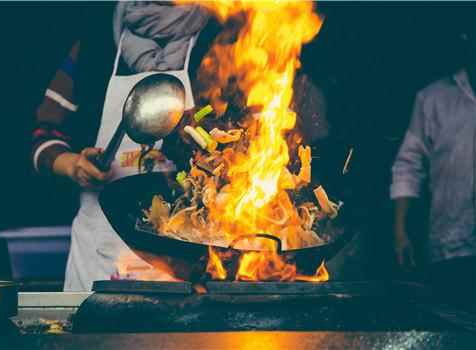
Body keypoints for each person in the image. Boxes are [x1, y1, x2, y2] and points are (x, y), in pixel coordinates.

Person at [32, 2, 328, 291]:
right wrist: (72, 164)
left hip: (189, 261)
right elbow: (43, 133)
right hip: (99, 254)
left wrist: (208, 146)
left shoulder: (225, 35)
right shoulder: (97, 36)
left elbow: (260, 142)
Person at [390, 28, 476, 309]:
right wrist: (400, 230)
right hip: (450, 247)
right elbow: (407, 166)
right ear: (468, 40)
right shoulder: (433, 99)